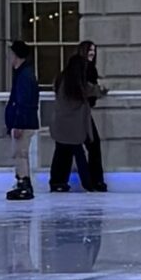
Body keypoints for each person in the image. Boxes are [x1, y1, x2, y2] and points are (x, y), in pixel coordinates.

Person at [47, 48, 104, 194]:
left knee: (61, 153)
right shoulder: (79, 84)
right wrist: (103, 89)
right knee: (78, 154)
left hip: (60, 124)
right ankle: (88, 183)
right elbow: (96, 90)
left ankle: (57, 182)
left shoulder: (61, 80)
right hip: (74, 127)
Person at [4, 39, 40, 202]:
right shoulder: (23, 74)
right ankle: (22, 182)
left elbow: (23, 101)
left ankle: (23, 183)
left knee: (20, 154)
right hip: (22, 122)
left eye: (11, 54)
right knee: (19, 153)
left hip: (23, 123)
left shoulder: (25, 75)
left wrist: (18, 123)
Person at [78, 40, 111, 193]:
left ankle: (92, 180)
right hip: (80, 112)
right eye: (90, 50)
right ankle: (95, 180)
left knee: (77, 147)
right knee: (93, 145)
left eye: (94, 50)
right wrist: (100, 90)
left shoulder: (87, 68)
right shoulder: (85, 68)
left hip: (81, 111)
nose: (92, 53)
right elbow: (88, 88)